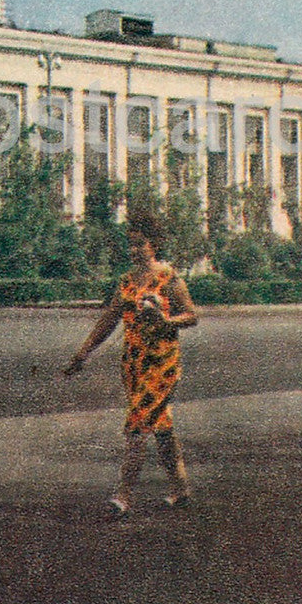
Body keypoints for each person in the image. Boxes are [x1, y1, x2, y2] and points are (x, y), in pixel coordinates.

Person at [62, 214, 198, 519]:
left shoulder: (169, 278)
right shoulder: (126, 281)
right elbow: (109, 320)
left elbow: (191, 315)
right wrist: (82, 354)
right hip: (134, 363)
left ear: (155, 244)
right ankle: (180, 488)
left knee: (138, 425)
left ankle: (123, 495)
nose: (135, 250)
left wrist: (166, 320)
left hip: (162, 364)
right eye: (132, 244)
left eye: (141, 244)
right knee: (159, 426)